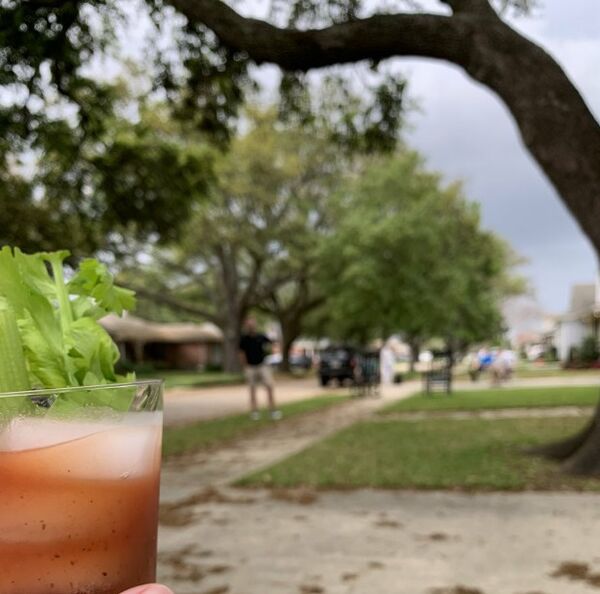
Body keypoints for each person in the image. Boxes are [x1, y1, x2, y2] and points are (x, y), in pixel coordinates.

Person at [239, 318, 281, 420]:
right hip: (250, 367)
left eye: (252, 324)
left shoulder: (261, 337)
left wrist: (274, 352)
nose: (251, 327)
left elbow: (273, 343)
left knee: (269, 386)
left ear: (255, 325)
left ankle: (272, 410)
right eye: (249, 325)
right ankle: (255, 412)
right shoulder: (244, 339)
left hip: (262, 365)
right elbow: (241, 353)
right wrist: (245, 365)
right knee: (252, 389)